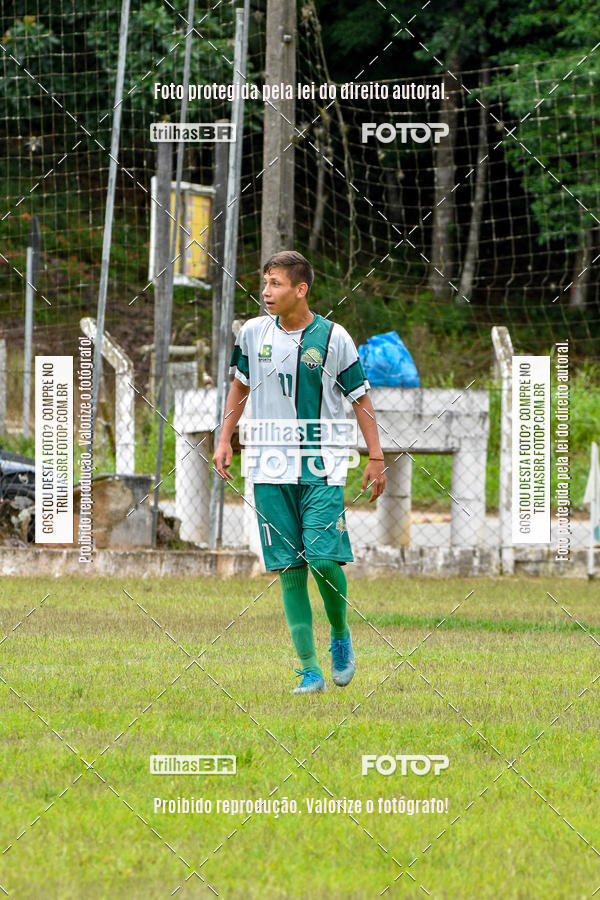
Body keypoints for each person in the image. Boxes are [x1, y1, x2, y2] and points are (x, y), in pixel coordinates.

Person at [212, 250, 386, 694]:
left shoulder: (333, 337)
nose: (265, 291)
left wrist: (376, 457)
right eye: (265, 282)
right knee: (290, 569)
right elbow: (240, 384)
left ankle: (341, 634)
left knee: (324, 559)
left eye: (275, 283)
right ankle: (309, 670)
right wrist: (224, 436)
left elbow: (360, 398)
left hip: (322, 464)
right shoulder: (252, 333)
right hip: (269, 468)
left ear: (300, 289)